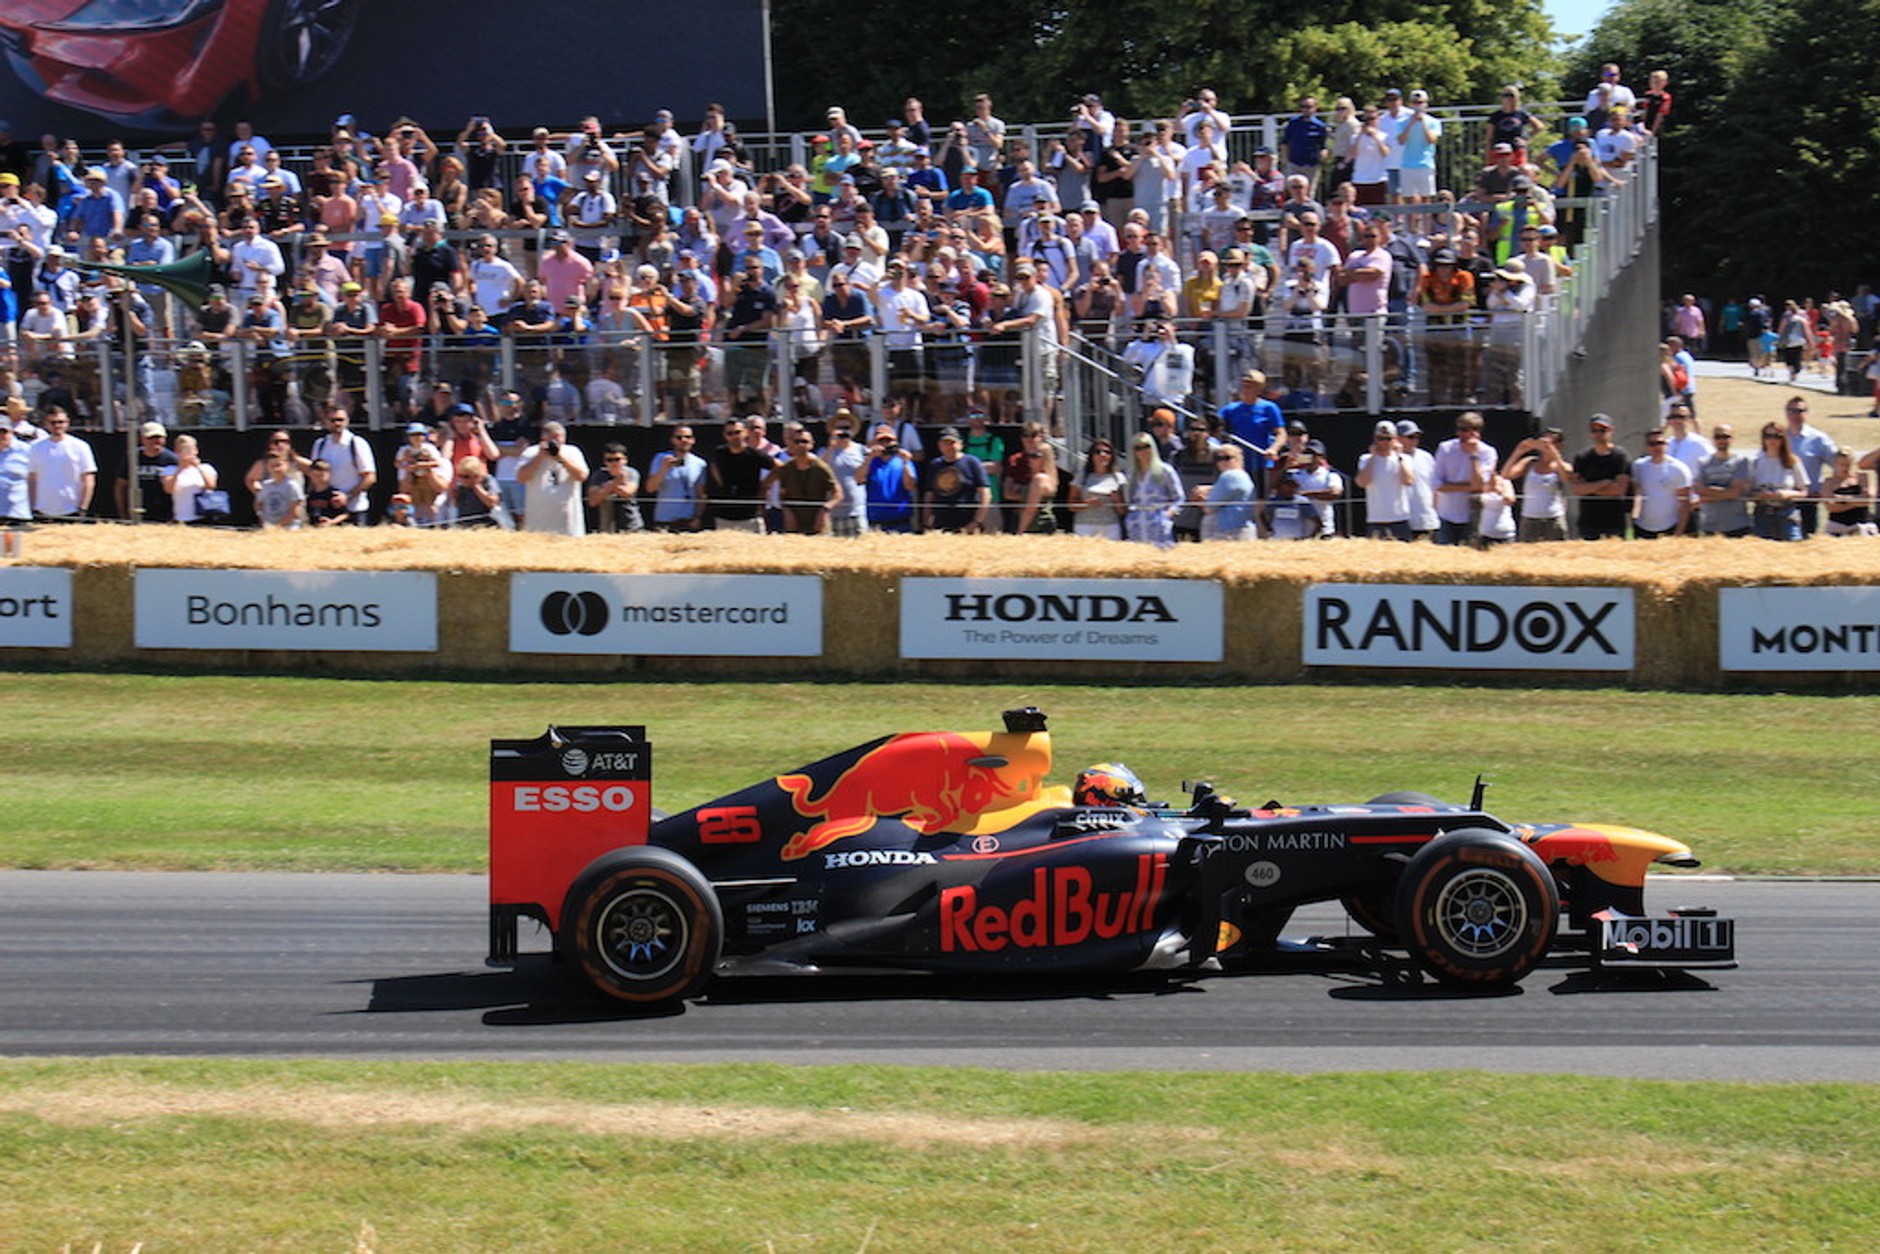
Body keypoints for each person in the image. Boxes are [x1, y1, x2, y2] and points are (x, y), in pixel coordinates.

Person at [1431, 412, 1497, 546]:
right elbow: (1437, 484)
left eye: (1468, 430)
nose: (1463, 434)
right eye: (1461, 429)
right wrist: (1469, 487)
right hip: (1446, 515)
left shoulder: (1488, 452)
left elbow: (1479, 484)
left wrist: (1473, 456)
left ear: (1477, 432)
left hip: (1473, 516)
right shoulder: (1445, 448)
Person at [516, 419, 589, 535]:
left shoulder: (573, 452)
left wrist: (561, 459)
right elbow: (521, 478)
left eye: (559, 438)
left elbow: (581, 476)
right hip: (539, 519)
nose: (556, 442)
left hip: (568, 520)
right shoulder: (530, 452)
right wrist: (539, 457)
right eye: (552, 438)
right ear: (544, 438)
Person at [310, 402, 377, 525]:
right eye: (333, 420)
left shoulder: (357, 443)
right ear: (325, 421)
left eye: (340, 420)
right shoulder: (320, 444)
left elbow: (370, 477)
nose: (337, 423)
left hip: (354, 509)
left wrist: (347, 496)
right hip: (327, 510)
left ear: (347, 421)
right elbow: (315, 474)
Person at [1781, 397, 1837, 537]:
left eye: (1800, 411)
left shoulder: (1819, 439)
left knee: (1807, 541)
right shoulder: (1778, 438)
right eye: (1792, 411)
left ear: (1807, 413)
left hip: (1808, 500)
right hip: (1782, 500)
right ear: (1786, 413)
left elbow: (1839, 464)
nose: (1795, 415)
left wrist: (1827, 488)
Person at [1502, 429, 1570, 542]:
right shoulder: (1530, 463)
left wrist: (1555, 454)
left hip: (1553, 518)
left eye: (1552, 442)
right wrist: (1518, 452)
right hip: (1530, 517)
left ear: (1559, 445)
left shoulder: (1561, 466)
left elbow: (1566, 477)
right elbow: (1505, 475)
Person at [26, 406, 93, 520]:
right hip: (41, 510)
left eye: (60, 422)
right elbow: (32, 479)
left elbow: (88, 479)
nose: (57, 425)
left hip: (72, 510)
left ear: (67, 423)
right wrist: (31, 507)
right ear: (46, 424)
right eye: (53, 422)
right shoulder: (35, 447)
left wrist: (82, 508)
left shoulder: (80, 446)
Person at [767, 427, 838, 534]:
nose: (800, 445)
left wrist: (825, 509)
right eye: (797, 442)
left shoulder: (821, 467)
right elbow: (781, 493)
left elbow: (837, 493)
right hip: (794, 526)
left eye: (804, 442)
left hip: (818, 524)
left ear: (811, 444)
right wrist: (786, 509)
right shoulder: (786, 469)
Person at [921, 427, 989, 534]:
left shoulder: (972, 462)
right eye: (945, 443)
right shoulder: (935, 465)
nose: (949, 447)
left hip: (967, 523)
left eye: (952, 443)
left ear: (960, 444)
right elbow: (929, 495)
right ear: (939, 445)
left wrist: (976, 522)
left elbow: (985, 494)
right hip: (940, 524)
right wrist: (926, 523)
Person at [1630, 427, 1694, 538]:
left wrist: (1678, 534)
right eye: (1652, 444)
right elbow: (1636, 492)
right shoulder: (1638, 466)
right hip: (1642, 528)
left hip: (1669, 528)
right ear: (1647, 446)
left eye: (1660, 443)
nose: (1657, 447)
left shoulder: (1679, 469)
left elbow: (1685, 504)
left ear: (1666, 445)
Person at [707, 418, 768, 533]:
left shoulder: (754, 454)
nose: (734, 436)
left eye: (737, 432)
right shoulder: (720, 453)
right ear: (725, 435)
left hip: (750, 515)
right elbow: (713, 466)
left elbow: (778, 467)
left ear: (745, 432)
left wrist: (765, 485)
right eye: (730, 433)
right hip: (725, 515)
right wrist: (721, 483)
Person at [1356, 420, 1414, 540]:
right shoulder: (1365, 459)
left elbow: (1408, 481)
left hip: (1399, 518)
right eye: (1380, 439)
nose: (1384, 442)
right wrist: (1372, 457)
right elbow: (1362, 482)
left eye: (1388, 439)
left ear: (1395, 439)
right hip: (1376, 519)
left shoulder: (1405, 459)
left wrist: (1399, 457)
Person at [1694, 424, 1753, 538]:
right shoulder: (1703, 463)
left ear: (1732, 439)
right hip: (1709, 526)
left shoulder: (1741, 462)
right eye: (1718, 437)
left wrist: (1709, 491)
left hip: (1737, 525)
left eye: (1725, 436)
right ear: (1713, 440)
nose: (1722, 440)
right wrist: (1726, 493)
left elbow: (1735, 493)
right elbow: (1699, 492)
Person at [1001, 421, 1060, 534]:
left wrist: (1020, 532)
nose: (1028, 439)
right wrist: (1030, 495)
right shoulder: (1015, 460)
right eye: (1025, 435)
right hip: (1021, 517)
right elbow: (1007, 494)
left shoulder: (1042, 477)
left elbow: (1030, 508)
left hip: (1038, 524)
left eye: (1033, 435)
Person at [858, 423, 918, 533]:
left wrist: (905, 462)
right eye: (881, 441)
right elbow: (859, 479)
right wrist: (869, 457)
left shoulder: (902, 461)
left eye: (888, 441)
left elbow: (910, 486)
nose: (885, 444)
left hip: (901, 521)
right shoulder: (870, 462)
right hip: (876, 521)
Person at [1124, 431, 1181, 547]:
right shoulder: (1130, 474)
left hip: (1159, 524)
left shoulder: (1165, 470)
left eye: (1146, 447)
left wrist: (1168, 514)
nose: (1143, 451)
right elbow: (1128, 500)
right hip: (1137, 525)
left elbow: (1179, 497)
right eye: (1138, 448)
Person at [646, 425, 707, 533]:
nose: (684, 440)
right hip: (664, 519)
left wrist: (698, 517)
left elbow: (701, 494)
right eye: (679, 437)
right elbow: (650, 488)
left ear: (693, 440)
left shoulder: (699, 463)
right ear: (672, 440)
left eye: (687, 437)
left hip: (688, 520)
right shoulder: (660, 458)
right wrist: (664, 468)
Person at [1750, 423, 1805, 541]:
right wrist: (1761, 495)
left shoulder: (1792, 461)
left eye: (1777, 436)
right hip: (1763, 513)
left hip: (1787, 512)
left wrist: (1787, 494)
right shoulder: (1755, 461)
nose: (1772, 440)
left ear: (1783, 439)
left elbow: (1803, 491)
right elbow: (1748, 491)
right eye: (1768, 436)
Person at [116, 421, 178, 523]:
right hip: (138, 513)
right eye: (151, 438)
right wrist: (123, 514)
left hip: (165, 514)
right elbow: (120, 485)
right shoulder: (132, 458)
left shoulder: (172, 459)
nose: (156, 441)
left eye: (159, 437)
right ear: (142, 439)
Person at [1069, 439, 1127, 539]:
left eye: (1107, 452)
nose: (1102, 455)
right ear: (1092, 456)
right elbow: (1070, 505)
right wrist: (1086, 504)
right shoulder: (1082, 476)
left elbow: (1123, 511)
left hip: (1110, 526)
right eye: (1098, 452)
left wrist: (1117, 500)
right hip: (1085, 526)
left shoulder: (1118, 478)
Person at [584, 443, 643, 533]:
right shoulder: (599, 475)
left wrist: (606, 488)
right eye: (609, 460)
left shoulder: (631, 473)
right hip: (607, 526)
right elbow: (593, 501)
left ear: (625, 460)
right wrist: (616, 482)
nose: (614, 463)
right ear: (605, 462)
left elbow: (627, 493)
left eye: (617, 459)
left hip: (631, 525)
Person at [1202, 445, 1257, 541]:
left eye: (1227, 458)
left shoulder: (1229, 476)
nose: (1222, 462)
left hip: (1226, 532)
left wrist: (1203, 498)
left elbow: (1209, 508)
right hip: (1242, 529)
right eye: (1218, 458)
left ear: (1238, 458)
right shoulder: (1244, 475)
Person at [164, 434, 221, 525]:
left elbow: (211, 485)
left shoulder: (206, 468)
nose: (187, 453)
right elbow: (168, 489)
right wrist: (180, 469)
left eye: (190, 449)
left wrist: (198, 466)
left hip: (203, 517)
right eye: (182, 450)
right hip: (180, 518)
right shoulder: (170, 470)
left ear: (196, 450)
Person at [254, 452, 304, 529]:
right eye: (272, 466)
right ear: (267, 467)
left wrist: (277, 527)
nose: (275, 469)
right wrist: (262, 518)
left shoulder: (291, 485)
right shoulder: (266, 485)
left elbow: (295, 513)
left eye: (278, 465)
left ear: (286, 465)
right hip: (269, 527)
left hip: (289, 527)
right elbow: (258, 503)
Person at [0, 424, 32, 524]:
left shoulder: (26, 450)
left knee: (15, 540)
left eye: (4, 431)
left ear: (12, 431)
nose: (1, 435)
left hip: (17, 513)